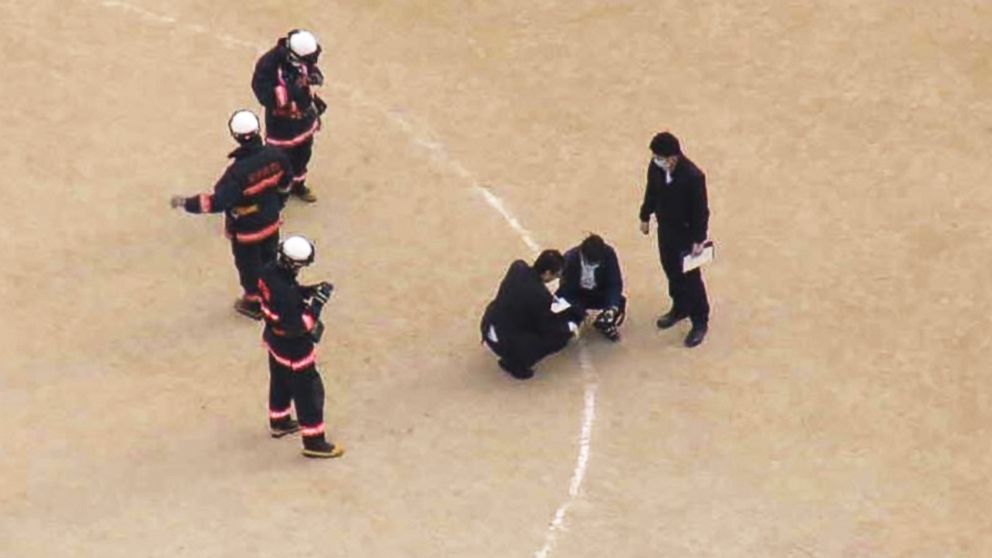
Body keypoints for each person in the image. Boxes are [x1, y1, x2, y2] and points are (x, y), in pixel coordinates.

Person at [170, 110, 291, 320]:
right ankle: (274, 294)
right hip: (271, 221)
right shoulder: (277, 156)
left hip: (246, 230)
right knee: (270, 259)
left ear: (235, 136)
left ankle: (254, 303)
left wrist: (186, 203)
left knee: (249, 267)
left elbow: (216, 202)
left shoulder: (237, 173)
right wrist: (276, 204)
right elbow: (286, 183)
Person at [258, 235, 344, 459]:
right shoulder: (284, 293)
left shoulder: (270, 271)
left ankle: (280, 420)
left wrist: (307, 291)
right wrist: (317, 304)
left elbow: (287, 292)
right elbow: (299, 325)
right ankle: (314, 441)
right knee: (309, 394)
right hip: (294, 351)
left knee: (280, 382)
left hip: (274, 342)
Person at [638, 131, 711, 347]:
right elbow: (651, 191)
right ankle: (680, 307)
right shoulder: (656, 168)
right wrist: (645, 215)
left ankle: (700, 321)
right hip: (666, 230)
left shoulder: (693, 177)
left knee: (690, 278)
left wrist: (699, 239)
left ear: (673, 157)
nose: (656, 160)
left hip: (687, 235)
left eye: (659, 157)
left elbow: (701, 211)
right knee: (670, 269)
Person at [251, 29, 327, 203]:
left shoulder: (301, 59)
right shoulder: (268, 64)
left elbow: (310, 69)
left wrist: (314, 77)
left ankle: (298, 186)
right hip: (281, 123)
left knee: (303, 154)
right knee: (279, 159)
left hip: (305, 119)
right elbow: (263, 94)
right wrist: (292, 91)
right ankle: (277, 191)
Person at [480, 250, 577, 380]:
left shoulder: (518, 267)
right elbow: (547, 327)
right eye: (556, 275)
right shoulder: (540, 296)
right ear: (548, 273)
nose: (557, 278)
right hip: (504, 342)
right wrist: (568, 328)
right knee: (557, 339)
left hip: (488, 325)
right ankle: (514, 364)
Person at [556, 234, 627, 342]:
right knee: (565, 314)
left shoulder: (608, 254)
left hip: (598, 292)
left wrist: (612, 308)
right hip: (577, 294)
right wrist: (579, 312)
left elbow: (614, 282)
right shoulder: (570, 259)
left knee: (619, 301)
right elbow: (566, 290)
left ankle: (605, 322)